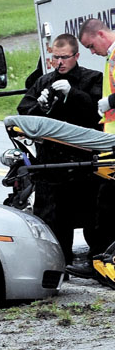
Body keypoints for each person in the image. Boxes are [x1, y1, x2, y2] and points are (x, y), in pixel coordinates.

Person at [16, 33, 103, 272]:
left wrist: (72, 95)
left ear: (76, 56)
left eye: (65, 57)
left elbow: (98, 115)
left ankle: (98, 264)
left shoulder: (92, 78)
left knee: (94, 221)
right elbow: (24, 114)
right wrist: (39, 106)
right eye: (56, 57)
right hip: (51, 166)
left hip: (83, 165)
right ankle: (57, 267)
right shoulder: (43, 82)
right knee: (53, 222)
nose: (60, 62)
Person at [71, 19, 115, 278]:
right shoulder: (111, 58)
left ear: (100, 33)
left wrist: (109, 101)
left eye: (90, 45)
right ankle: (101, 259)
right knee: (105, 202)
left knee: (106, 204)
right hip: (111, 143)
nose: (91, 52)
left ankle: (100, 261)